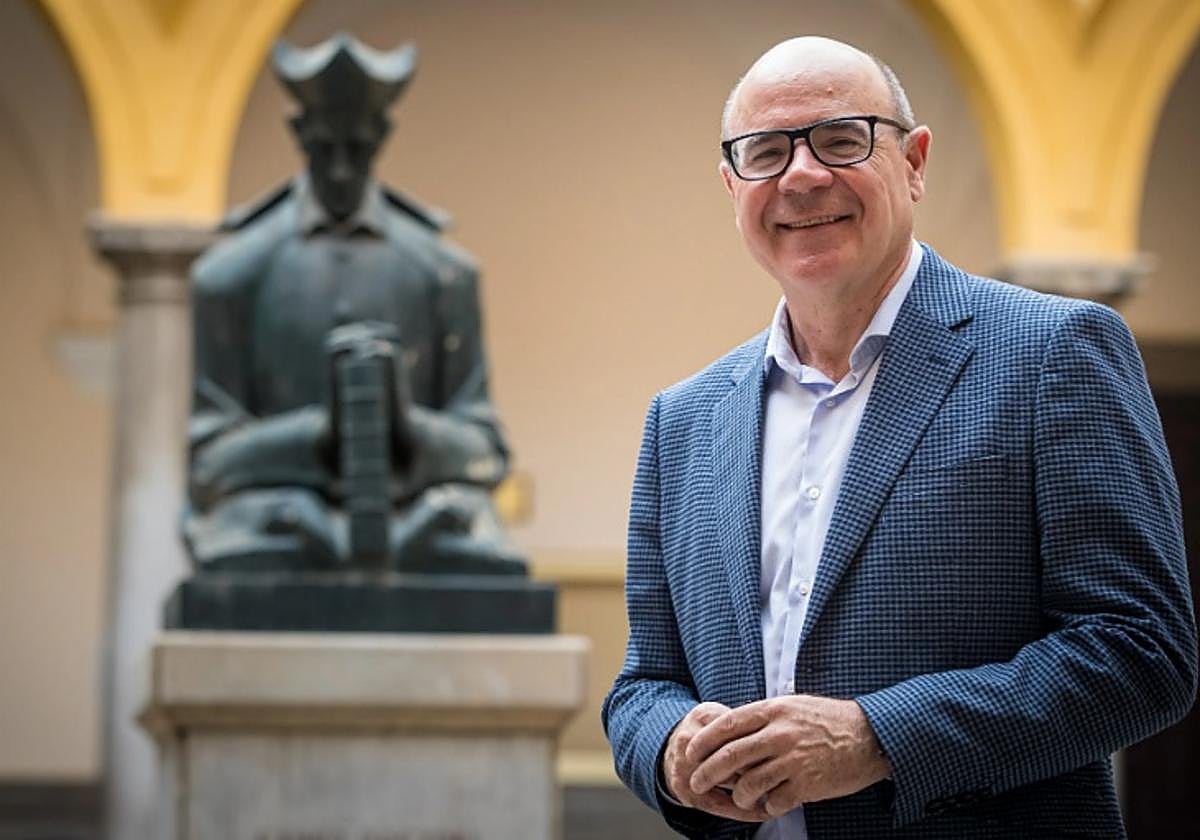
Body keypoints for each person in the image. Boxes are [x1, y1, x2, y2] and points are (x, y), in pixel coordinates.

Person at [601, 36, 1197, 839]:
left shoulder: (1053, 352)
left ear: (914, 162)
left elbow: (1142, 652)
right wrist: (671, 750)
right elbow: (643, 685)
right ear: (732, 185)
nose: (801, 175)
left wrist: (877, 739)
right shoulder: (683, 419)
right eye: (765, 152)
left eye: (840, 139)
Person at [184, 34, 522, 573]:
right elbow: (208, 462)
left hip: (422, 513)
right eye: (325, 149)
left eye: (358, 149)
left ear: (382, 137)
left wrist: (403, 423)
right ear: (299, 135)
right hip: (275, 514)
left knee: (478, 547)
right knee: (249, 551)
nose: (341, 170)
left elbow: (486, 451)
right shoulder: (231, 275)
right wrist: (324, 430)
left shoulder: (443, 272)